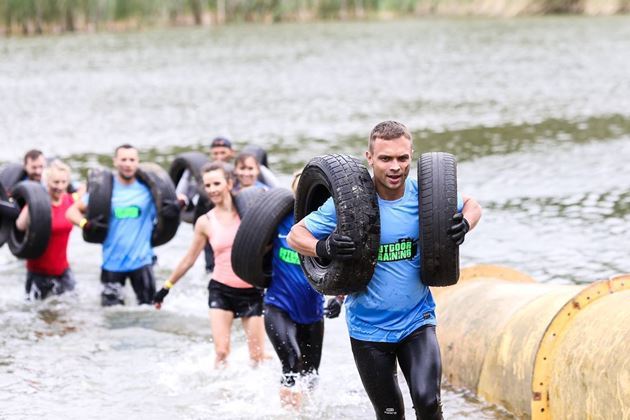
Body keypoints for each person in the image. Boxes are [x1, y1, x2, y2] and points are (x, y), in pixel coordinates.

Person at [287, 121, 482, 420]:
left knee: (428, 402)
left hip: (416, 321)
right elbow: (296, 235)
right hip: (368, 331)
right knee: (390, 414)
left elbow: (472, 205)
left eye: (402, 159)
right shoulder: (349, 204)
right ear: (369, 158)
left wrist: (465, 223)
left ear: (411, 156)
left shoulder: (423, 196)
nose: (395, 167)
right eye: (386, 158)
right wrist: (325, 248)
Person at [154, 161, 266, 368]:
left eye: (216, 183)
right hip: (221, 290)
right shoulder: (205, 221)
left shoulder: (249, 213)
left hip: (251, 291)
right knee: (222, 352)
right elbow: (189, 259)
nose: (212, 190)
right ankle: (220, 394)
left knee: (257, 357)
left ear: (230, 183)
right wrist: (165, 288)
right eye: (208, 186)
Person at [263, 172, 342, 409]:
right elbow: (253, 245)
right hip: (278, 305)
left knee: (311, 375)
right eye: (299, 191)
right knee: (291, 362)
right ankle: (288, 414)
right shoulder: (277, 220)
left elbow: (348, 267)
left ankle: (307, 412)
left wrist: (338, 297)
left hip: (312, 312)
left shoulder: (327, 225)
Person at [66, 144, 158, 306]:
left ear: (138, 162)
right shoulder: (105, 190)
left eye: (132, 160)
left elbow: (173, 200)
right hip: (112, 264)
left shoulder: (148, 190)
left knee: (150, 310)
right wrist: (85, 224)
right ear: (115, 162)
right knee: (111, 317)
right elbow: (71, 212)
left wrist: (180, 204)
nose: (128, 164)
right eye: (123, 159)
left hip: (142, 262)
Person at [16, 160, 77, 300]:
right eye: (56, 182)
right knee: (42, 317)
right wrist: (31, 201)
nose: (60, 186)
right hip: (38, 273)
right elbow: (20, 226)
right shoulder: (39, 203)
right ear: (47, 182)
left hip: (63, 271)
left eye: (63, 182)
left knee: (70, 315)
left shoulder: (70, 201)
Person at [175, 136, 236, 274]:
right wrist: (181, 200)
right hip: (208, 227)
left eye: (223, 152)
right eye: (215, 153)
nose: (219, 157)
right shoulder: (203, 175)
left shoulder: (238, 173)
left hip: (230, 226)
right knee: (211, 267)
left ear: (231, 152)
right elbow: (184, 191)